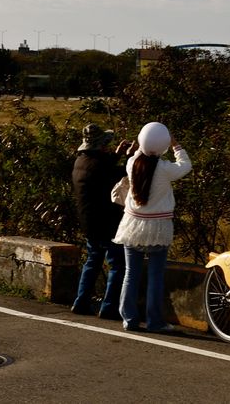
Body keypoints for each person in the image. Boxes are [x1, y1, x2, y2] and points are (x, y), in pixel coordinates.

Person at [113, 121, 191, 332]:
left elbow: (141, 151)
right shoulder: (165, 170)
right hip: (158, 226)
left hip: (132, 225)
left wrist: (143, 143)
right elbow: (186, 165)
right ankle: (155, 321)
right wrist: (176, 145)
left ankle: (129, 319)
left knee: (131, 273)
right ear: (163, 144)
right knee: (156, 275)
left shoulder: (132, 163)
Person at [70, 124, 134, 319]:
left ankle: (81, 301)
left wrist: (117, 154)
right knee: (118, 265)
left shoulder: (81, 162)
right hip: (107, 223)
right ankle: (109, 307)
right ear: (100, 147)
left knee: (93, 260)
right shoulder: (100, 166)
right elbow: (124, 173)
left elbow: (102, 168)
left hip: (89, 223)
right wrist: (131, 157)